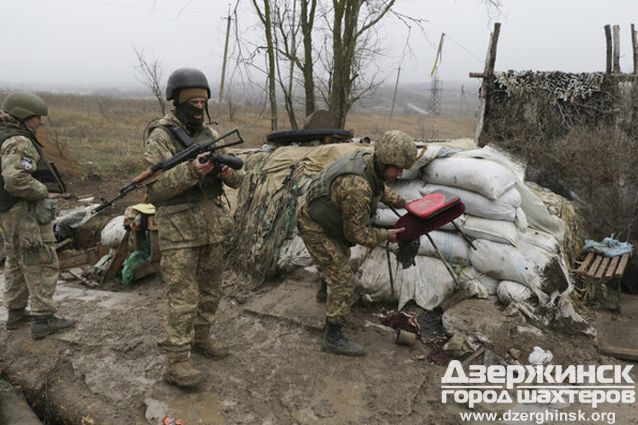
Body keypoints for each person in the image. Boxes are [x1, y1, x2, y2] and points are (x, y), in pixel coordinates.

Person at [143, 68, 244, 388]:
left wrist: (226, 174)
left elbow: (238, 177)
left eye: (204, 100)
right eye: (193, 101)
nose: (199, 107)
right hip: (179, 230)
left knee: (211, 291)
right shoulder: (161, 135)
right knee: (183, 296)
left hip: (212, 224)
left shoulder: (211, 135)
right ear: (179, 101)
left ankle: (202, 339)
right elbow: (156, 189)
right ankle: (177, 360)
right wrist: (192, 171)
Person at [296, 130, 417, 357]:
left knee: (338, 258)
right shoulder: (356, 187)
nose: (400, 174)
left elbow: (378, 190)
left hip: (326, 216)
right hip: (316, 226)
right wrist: (386, 235)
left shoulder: (367, 162)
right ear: (385, 162)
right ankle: (333, 337)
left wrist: (404, 202)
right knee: (344, 282)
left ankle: (325, 289)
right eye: (398, 168)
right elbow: (357, 235)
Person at [0, 91, 75, 339]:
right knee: (41, 261)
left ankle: (16, 312)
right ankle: (43, 319)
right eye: (36, 117)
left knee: (15, 261)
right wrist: (43, 192)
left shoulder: (5, 135)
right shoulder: (20, 141)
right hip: (24, 213)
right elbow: (15, 179)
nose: (41, 122)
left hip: (8, 212)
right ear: (23, 117)